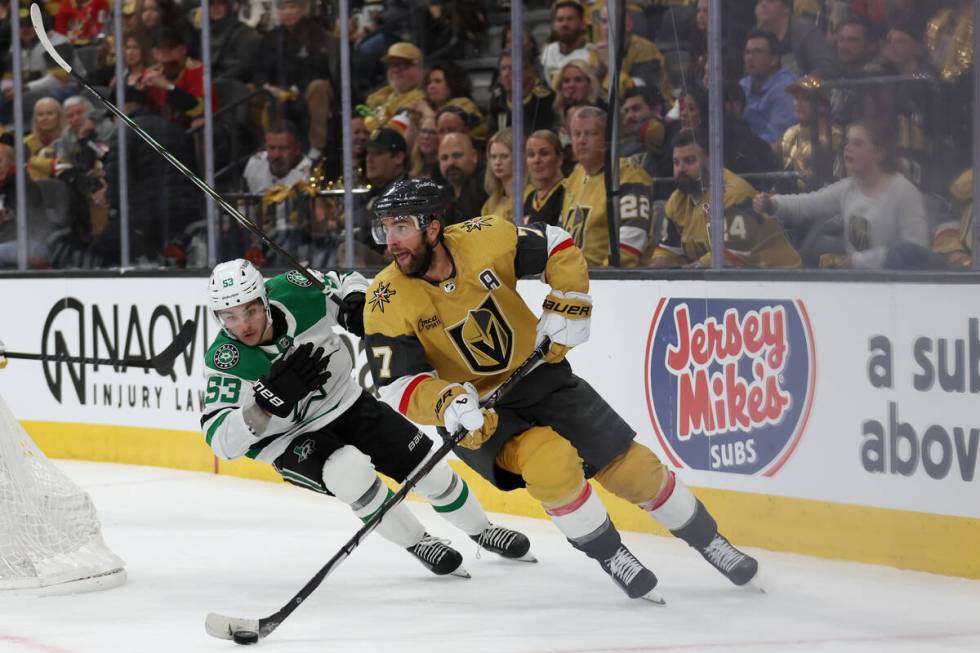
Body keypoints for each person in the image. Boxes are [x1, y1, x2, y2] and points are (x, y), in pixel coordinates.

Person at [359, 177, 759, 603]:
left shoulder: (484, 237)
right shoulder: (384, 300)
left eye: (401, 227)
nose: (391, 241)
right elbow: (399, 383)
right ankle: (611, 554)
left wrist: (569, 300)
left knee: (633, 467)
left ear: (433, 227)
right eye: (385, 229)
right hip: (478, 413)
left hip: (541, 378)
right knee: (551, 462)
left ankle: (710, 540)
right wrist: (446, 403)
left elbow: (556, 244)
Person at [201, 259, 533, 579]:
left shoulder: (295, 288)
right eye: (229, 316)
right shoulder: (225, 361)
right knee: (350, 471)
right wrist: (266, 404)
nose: (243, 325)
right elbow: (219, 441)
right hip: (287, 439)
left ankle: (481, 530)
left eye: (251, 310)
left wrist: (357, 302)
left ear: (264, 299)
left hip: (346, 402)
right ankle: (419, 542)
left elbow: (347, 282)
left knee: (427, 468)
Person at [754, 120, 930, 269]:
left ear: (879, 152)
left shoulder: (904, 192)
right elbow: (807, 204)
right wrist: (772, 204)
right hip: (856, 287)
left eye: (858, 143)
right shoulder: (848, 189)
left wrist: (859, 261)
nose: (847, 149)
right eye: (847, 142)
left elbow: (915, 250)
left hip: (899, 289)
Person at [650, 128, 801, 269]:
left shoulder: (734, 195)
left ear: (711, 160)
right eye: (676, 162)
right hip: (736, 284)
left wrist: (685, 272)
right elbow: (668, 252)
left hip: (779, 278)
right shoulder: (677, 200)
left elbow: (730, 257)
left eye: (690, 161)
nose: (681, 169)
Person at [560, 106, 652, 267]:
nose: (581, 140)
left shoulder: (628, 176)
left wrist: (605, 277)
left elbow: (632, 238)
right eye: (576, 134)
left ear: (607, 137)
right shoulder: (575, 177)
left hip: (607, 282)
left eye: (590, 134)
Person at [739, 29, 799, 145]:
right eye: (747, 52)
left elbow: (777, 137)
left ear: (774, 59)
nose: (750, 58)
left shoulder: (786, 88)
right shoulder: (744, 84)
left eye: (757, 52)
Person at [540, 0, 596, 87]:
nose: (564, 24)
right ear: (554, 24)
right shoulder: (548, 51)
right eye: (560, 20)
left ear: (582, 23)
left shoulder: (592, 54)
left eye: (570, 19)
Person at [523, 129, 565, 226]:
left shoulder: (567, 192)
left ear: (559, 158)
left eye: (544, 153)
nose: (536, 160)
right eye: (531, 154)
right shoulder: (530, 198)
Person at [480, 129, 517, 223]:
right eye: (493, 157)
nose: (497, 162)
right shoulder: (490, 203)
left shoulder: (528, 196)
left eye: (504, 156)